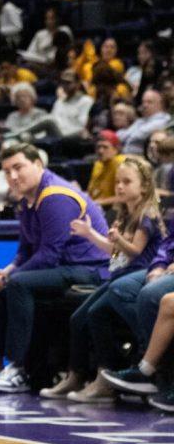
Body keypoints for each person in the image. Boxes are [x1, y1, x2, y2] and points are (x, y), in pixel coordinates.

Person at [0, 144, 110, 394]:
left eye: (18, 167)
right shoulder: (27, 200)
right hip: (61, 267)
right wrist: (3, 273)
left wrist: (8, 280)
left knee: (17, 284)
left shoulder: (55, 196)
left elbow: (49, 255)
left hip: (88, 269)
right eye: (7, 171)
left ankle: (19, 368)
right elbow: (25, 252)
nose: (13, 176)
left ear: (38, 165)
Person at [43, 156, 164, 401]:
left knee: (96, 314)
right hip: (118, 276)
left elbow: (135, 251)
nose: (119, 187)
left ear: (143, 186)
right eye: (118, 182)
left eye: (126, 182)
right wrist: (90, 234)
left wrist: (118, 240)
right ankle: (77, 375)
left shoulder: (147, 214)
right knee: (79, 318)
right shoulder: (122, 213)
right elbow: (115, 252)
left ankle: (104, 380)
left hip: (136, 279)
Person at [117, 89, 170, 155]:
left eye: (149, 102)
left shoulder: (163, 120)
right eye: (143, 102)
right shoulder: (141, 120)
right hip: (127, 157)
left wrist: (129, 134)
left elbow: (138, 135)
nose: (145, 105)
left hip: (144, 160)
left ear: (160, 104)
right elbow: (119, 136)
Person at [87, 129, 124, 207]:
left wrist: (98, 202)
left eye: (105, 147)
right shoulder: (98, 164)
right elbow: (91, 193)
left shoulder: (121, 164)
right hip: (97, 206)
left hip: (112, 208)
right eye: (98, 147)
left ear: (115, 149)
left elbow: (126, 197)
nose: (100, 151)